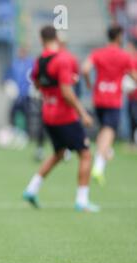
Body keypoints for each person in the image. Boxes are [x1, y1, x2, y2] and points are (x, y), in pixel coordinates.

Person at [23, 26, 99, 212]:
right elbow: (66, 92)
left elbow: (37, 82)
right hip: (64, 116)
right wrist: (83, 113)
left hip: (47, 114)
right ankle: (82, 201)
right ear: (57, 38)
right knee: (86, 154)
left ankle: (31, 189)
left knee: (58, 153)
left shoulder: (39, 60)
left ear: (41, 40)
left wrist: (52, 91)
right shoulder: (62, 59)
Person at [81, 25, 137, 186]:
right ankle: (98, 166)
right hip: (113, 99)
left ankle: (105, 152)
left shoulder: (98, 53)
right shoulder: (125, 56)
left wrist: (89, 83)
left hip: (98, 98)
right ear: (119, 37)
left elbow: (85, 69)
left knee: (104, 131)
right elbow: (134, 76)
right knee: (109, 131)